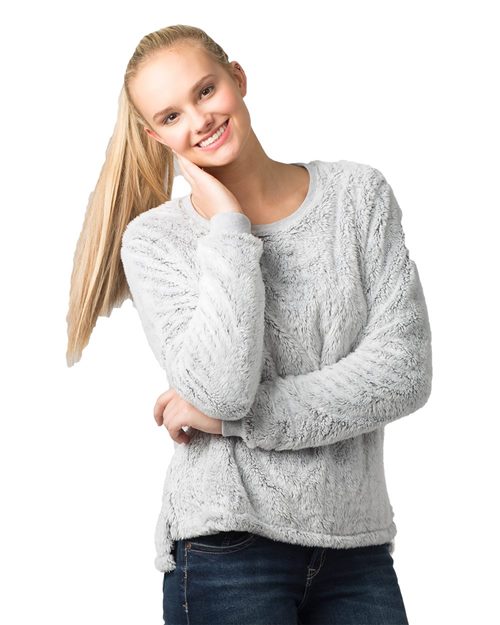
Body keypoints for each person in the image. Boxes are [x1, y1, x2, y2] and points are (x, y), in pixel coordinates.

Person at [66, 23, 433, 625]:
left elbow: (403, 374)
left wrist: (231, 423)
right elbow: (222, 389)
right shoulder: (155, 241)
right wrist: (229, 227)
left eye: (205, 91)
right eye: (171, 116)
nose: (199, 120)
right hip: (226, 546)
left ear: (237, 78)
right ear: (156, 136)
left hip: (357, 549)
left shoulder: (357, 197)